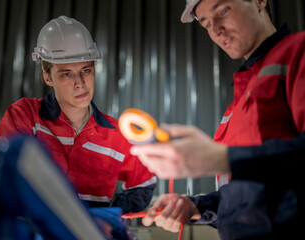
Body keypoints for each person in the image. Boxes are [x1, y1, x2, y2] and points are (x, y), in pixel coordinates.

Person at [130, 0, 305, 239]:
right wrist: (195, 207)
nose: (216, 30)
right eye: (206, 24)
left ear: (259, 1)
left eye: (223, 11)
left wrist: (220, 158)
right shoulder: (238, 102)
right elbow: (247, 192)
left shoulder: (299, 53)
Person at [0, 16, 156, 214]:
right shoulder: (25, 117)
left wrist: (112, 216)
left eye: (86, 70)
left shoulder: (117, 135)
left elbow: (145, 181)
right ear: (47, 76)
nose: (80, 83)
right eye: (66, 74)